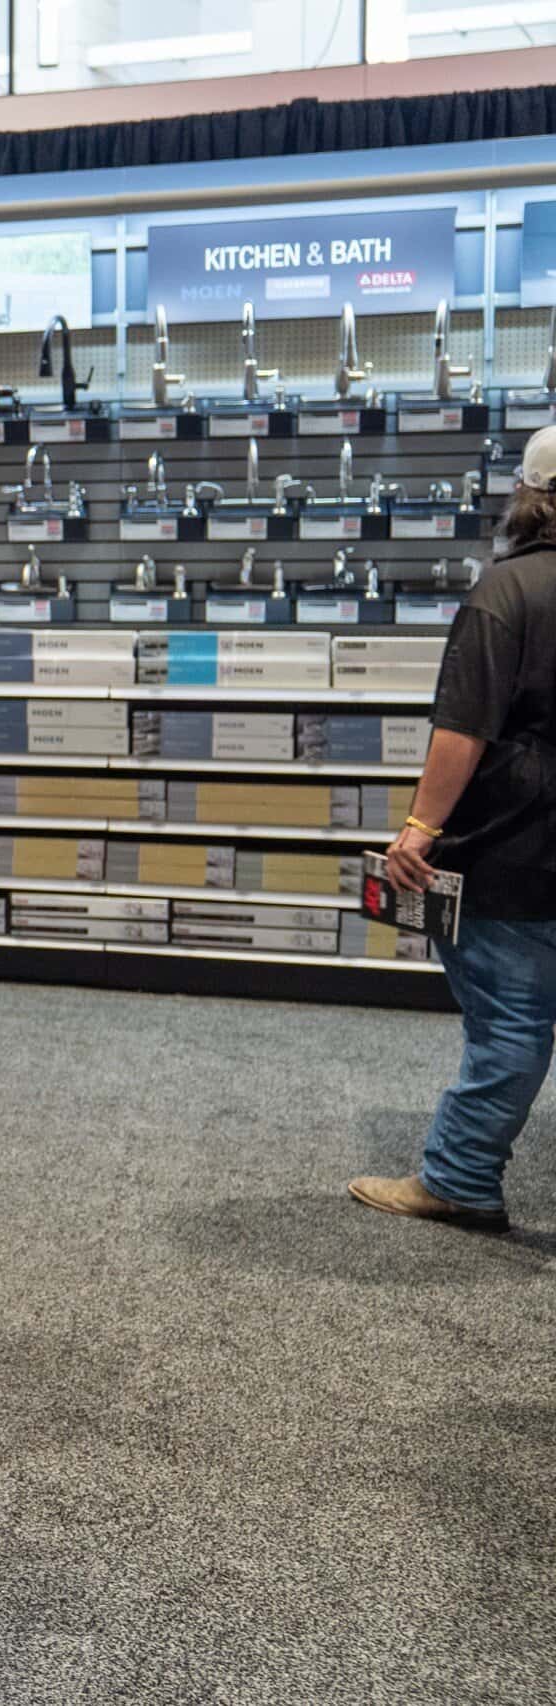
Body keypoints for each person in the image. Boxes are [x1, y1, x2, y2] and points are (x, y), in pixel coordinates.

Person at [352, 424, 556, 1236]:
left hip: (517, 844)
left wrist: (417, 829)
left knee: (510, 1020)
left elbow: (463, 729)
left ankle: (461, 1178)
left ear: (529, 498)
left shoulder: (507, 594)